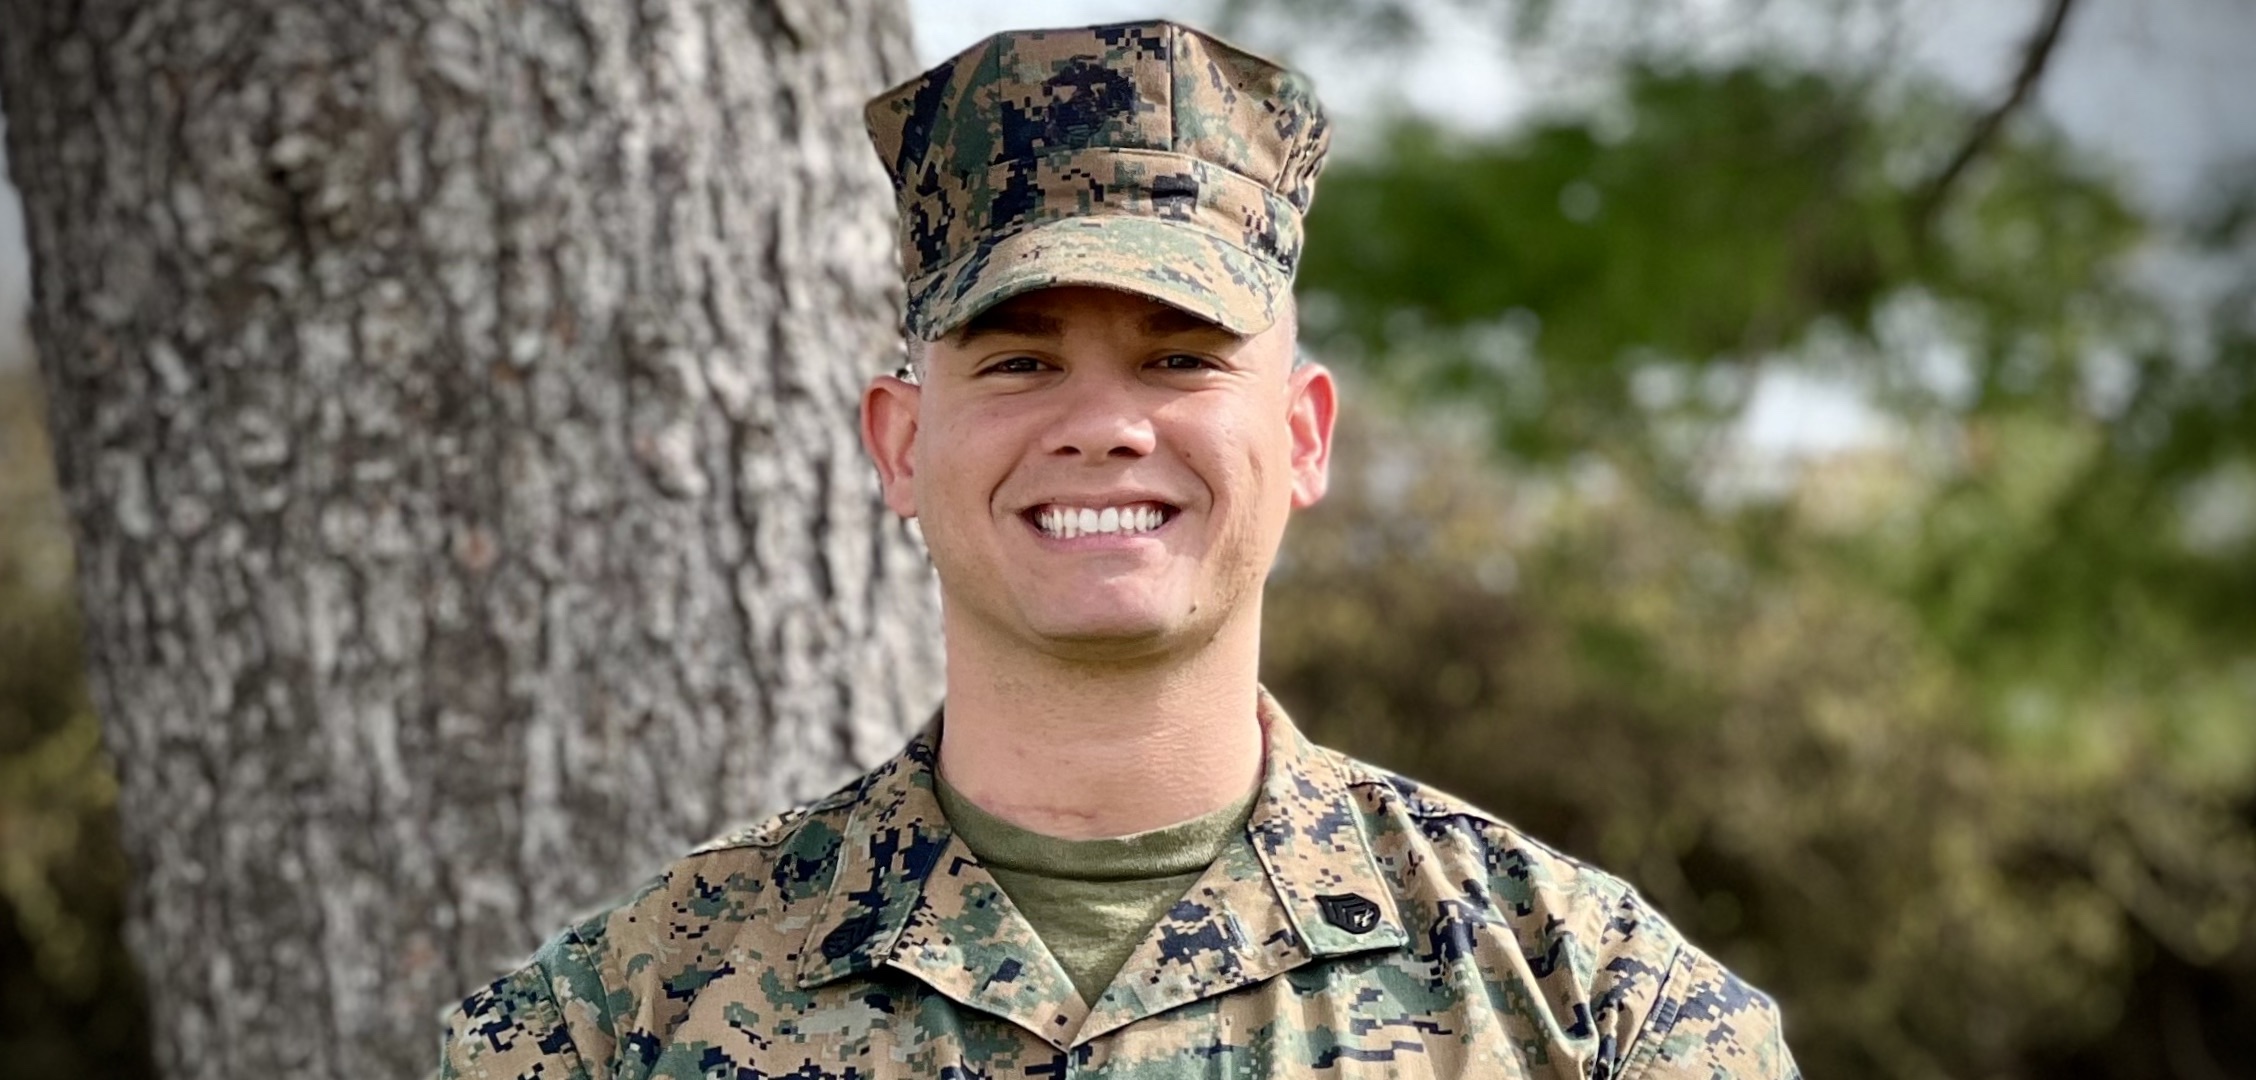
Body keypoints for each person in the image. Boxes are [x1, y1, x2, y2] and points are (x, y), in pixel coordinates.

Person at [441, 20, 1800, 1079]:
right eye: (1022, 359)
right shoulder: (609, 1031)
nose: (1102, 426)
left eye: (1179, 358)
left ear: (1305, 434)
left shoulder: (1599, 1020)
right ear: (902, 445)